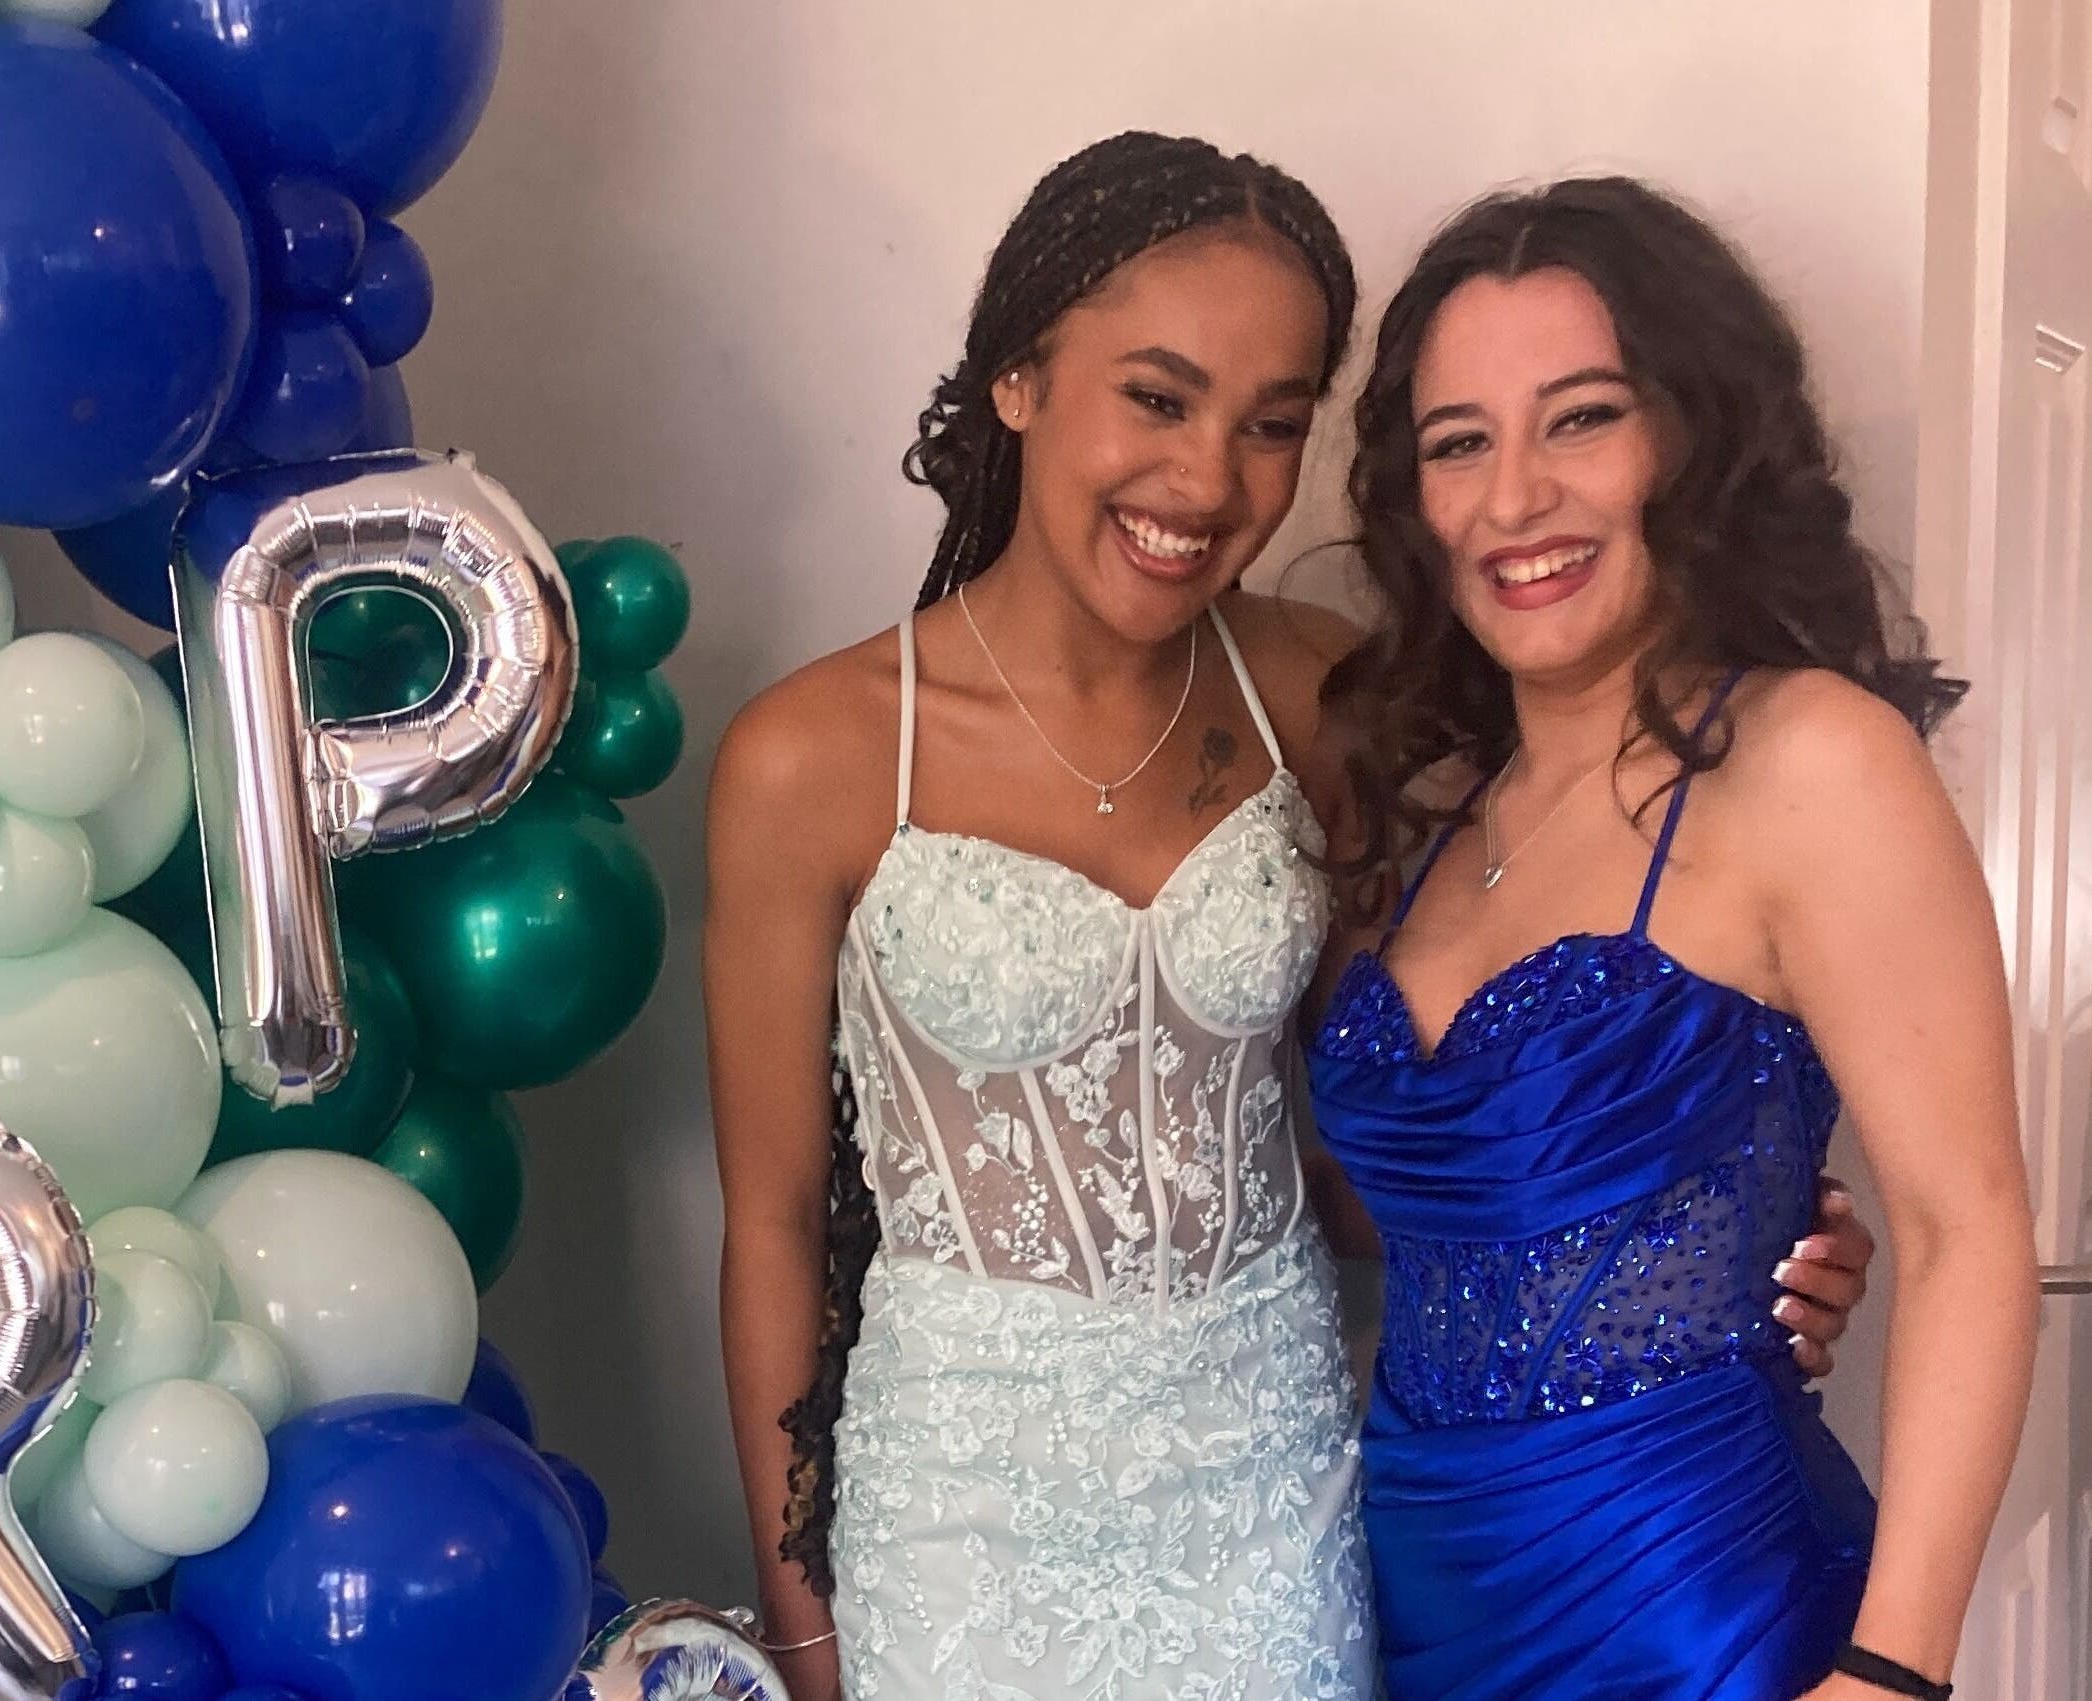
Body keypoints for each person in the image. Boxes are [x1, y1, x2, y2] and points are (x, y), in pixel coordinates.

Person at [701, 134, 1877, 1701]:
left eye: (1274, 425)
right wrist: (807, 1625)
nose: (1210, 482)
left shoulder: (1322, 695)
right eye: (1158, 396)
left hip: (1274, 1471)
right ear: (1017, 380)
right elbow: (775, 1225)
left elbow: (1448, 1060)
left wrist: (1712, 1220)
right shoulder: (814, 753)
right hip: (957, 1501)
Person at [1308, 177, 2036, 1701]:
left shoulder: (1809, 761)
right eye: (1461, 443)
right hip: (1429, 1617)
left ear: (1689, 438)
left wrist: (1893, 1674)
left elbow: (1970, 1228)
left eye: (1581, 418)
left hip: (1705, 1619)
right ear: (1415, 498)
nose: (1515, 498)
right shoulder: (1439, 821)